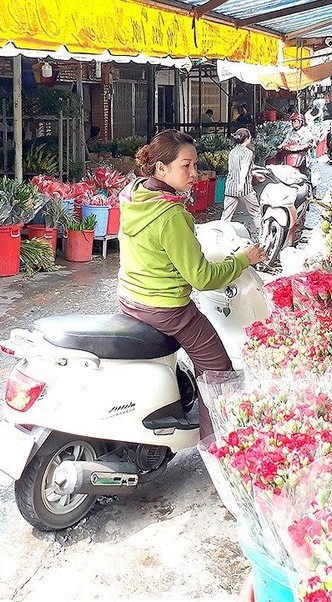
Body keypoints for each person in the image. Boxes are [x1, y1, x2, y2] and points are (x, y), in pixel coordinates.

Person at [117, 130, 266, 438]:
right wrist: (243, 260)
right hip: (166, 309)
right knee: (218, 371)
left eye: (195, 165)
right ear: (161, 169)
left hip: (130, 299)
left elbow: (158, 244)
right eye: (186, 166)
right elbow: (202, 278)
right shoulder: (170, 214)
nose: (195, 173)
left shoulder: (134, 195)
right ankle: (217, 444)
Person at [222, 128, 261, 230]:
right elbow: (243, 169)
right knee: (255, 212)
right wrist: (240, 185)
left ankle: (221, 235)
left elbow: (234, 169)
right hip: (244, 189)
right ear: (247, 139)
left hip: (230, 188)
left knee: (226, 216)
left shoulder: (232, 152)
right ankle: (262, 235)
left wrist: (255, 174)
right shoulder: (248, 153)